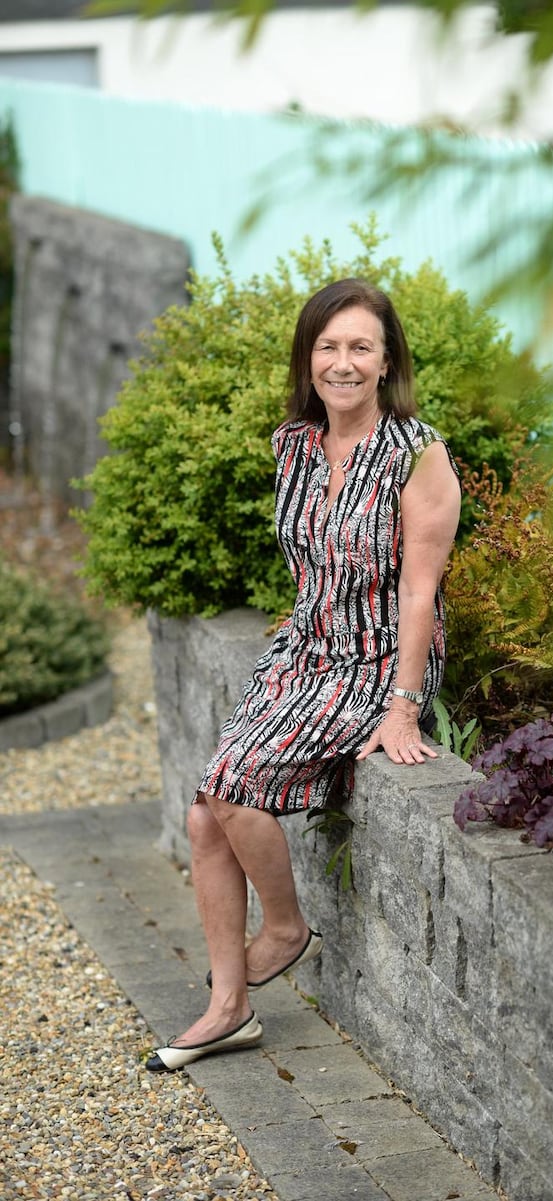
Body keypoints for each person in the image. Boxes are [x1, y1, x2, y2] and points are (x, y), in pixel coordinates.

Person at [146, 278, 462, 1071]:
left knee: (228, 787)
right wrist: (305, 620)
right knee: (201, 818)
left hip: (372, 661)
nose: (343, 362)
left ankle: (284, 929)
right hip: (307, 647)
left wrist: (404, 705)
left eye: (361, 346)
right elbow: (312, 557)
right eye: (328, 346)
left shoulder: (417, 455)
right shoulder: (294, 442)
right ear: (308, 357)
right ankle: (231, 1007)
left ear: (387, 360)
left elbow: (420, 588)